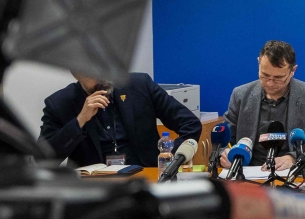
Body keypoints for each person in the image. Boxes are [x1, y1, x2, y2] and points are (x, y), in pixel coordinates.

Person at [40, 72, 202, 168]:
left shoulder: (140, 85)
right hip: (95, 188)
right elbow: (43, 158)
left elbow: (190, 124)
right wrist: (80, 120)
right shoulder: (59, 104)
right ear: (77, 75)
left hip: (144, 177)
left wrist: (171, 159)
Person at [220, 41, 305, 172]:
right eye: (265, 75)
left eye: (278, 78)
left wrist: (293, 158)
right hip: (246, 173)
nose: (270, 83)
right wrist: (225, 153)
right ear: (258, 63)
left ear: (293, 71)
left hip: (294, 173)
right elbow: (223, 141)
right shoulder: (240, 95)